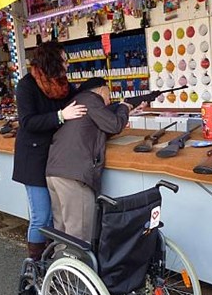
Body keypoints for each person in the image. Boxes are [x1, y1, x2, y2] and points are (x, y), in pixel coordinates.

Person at [12, 41, 87, 260]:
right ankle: (34, 266)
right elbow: (27, 122)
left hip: (56, 157)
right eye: (64, 59)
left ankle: (53, 263)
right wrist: (60, 116)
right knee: (41, 216)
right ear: (52, 61)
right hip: (33, 158)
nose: (68, 64)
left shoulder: (62, 84)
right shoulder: (26, 85)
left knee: (57, 216)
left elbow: (79, 103)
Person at [46, 77, 133, 242]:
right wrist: (123, 108)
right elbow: (114, 125)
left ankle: (61, 266)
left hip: (55, 172)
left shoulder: (79, 101)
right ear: (101, 89)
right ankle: (77, 266)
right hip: (73, 175)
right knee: (80, 235)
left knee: (63, 232)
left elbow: (99, 129)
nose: (110, 96)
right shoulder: (91, 100)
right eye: (109, 91)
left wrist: (125, 112)